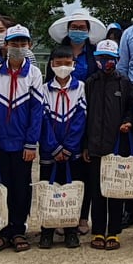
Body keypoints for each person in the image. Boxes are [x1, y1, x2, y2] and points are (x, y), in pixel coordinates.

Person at [0, 25, 43, 255]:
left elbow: (36, 111)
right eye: (14, 43)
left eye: (22, 44)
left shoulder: (34, 74)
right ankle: (3, 230)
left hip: (22, 143)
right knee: (1, 186)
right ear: (5, 45)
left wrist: (31, 143)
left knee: (21, 186)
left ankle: (19, 228)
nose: (18, 48)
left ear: (29, 46)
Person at [81, 39, 133, 249]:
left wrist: (128, 122)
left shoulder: (125, 83)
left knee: (115, 191)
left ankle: (114, 232)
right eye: (102, 58)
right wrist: (85, 145)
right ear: (96, 59)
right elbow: (83, 115)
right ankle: (98, 231)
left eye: (110, 58)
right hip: (94, 146)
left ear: (118, 59)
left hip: (117, 146)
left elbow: (131, 108)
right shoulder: (90, 83)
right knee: (97, 192)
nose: (106, 62)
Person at [37, 41, 87, 249]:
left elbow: (80, 119)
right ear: (51, 64)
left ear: (74, 64)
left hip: (71, 151)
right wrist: (54, 147)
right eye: (59, 63)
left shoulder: (81, 88)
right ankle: (46, 231)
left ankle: (71, 230)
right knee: (48, 190)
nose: (63, 67)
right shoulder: (43, 89)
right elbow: (42, 120)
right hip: (49, 151)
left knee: (70, 190)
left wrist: (69, 147)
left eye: (67, 63)